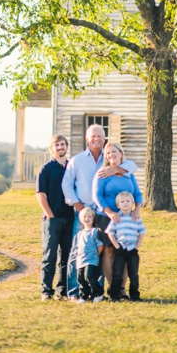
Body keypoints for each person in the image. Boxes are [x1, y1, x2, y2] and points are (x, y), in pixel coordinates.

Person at [62, 124, 138, 301]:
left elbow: (133, 166)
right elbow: (67, 184)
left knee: (101, 251)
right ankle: (75, 291)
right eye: (93, 136)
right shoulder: (77, 160)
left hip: (104, 212)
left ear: (104, 139)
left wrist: (116, 169)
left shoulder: (110, 158)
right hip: (85, 212)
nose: (96, 139)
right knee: (80, 251)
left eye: (99, 136)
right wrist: (78, 205)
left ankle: (97, 290)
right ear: (87, 139)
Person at [92, 141, 143, 296]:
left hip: (127, 216)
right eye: (108, 153)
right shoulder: (102, 173)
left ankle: (122, 288)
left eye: (114, 152)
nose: (111, 155)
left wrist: (137, 209)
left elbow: (137, 194)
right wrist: (109, 213)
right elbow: (97, 196)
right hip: (106, 216)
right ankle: (112, 287)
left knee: (126, 250)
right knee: (109, 251)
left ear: (121, 153)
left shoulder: (128, 173)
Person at [35, 134, 74, 301]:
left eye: (62, 144)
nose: (60, 147)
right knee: (50, 256)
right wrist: (51, 216)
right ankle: (46, 291)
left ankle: (62, 291)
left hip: (70, 218)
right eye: (56, 145)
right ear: (52, 148)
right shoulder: (46, 169)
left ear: (66, 146)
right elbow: (40, 195)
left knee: (66, 256)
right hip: (52, 219)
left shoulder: (71, 167)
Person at [105, 191, 147, 302]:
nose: (125, 203)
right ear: (118, 205)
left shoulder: (136, 217)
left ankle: (135, 295)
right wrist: (117, 246)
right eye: (122, 202)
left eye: (128, 201)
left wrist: (137, 246)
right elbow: (110, 232)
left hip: (133, 250)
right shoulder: (116, 218)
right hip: (121, 249)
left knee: (133, 274)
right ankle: (114, 295)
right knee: (117, 273)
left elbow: (142, 232)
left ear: (132, 203)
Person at [74, 207, 105, 303]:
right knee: (81, 279)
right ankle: (83, 296)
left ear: (93, 219)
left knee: (89, 276)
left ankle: (99, 293)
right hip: (80, 260)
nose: (87, 219)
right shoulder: (80, 234)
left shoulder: (94, 231)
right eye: (85, 217)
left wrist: (96, 255)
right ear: (80, 218)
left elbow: (100, 245)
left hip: (91, 259)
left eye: (89, 217)